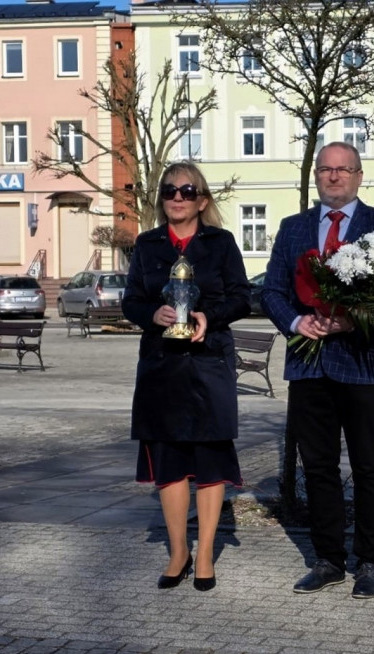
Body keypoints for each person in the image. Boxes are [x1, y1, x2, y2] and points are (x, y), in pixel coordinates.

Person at [261, 141, 374, 599]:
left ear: (359, 176)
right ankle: (328, 559)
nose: (334, 176)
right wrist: (296, 322)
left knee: (368, 465)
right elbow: (271, 291)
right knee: (318, 467)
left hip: (363, 364)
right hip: (309, 365)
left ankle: (371, 560)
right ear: (317, 176)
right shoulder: (293, 228)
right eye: (326, 169)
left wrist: (354, 319)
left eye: (343, 169)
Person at [121, 161, 251, 592]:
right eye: (170, 191)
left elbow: (242, 298)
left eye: (187, 191)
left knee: (210, 459)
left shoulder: (221, 242)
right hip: (161, 366)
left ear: (202, 200)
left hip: (208, 363)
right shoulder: (147, 244)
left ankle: (206, 552)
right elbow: (130, 301)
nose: (178, 198)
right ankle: (179, 552)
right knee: (170, 461)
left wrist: (208, 316)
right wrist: (151, 314)